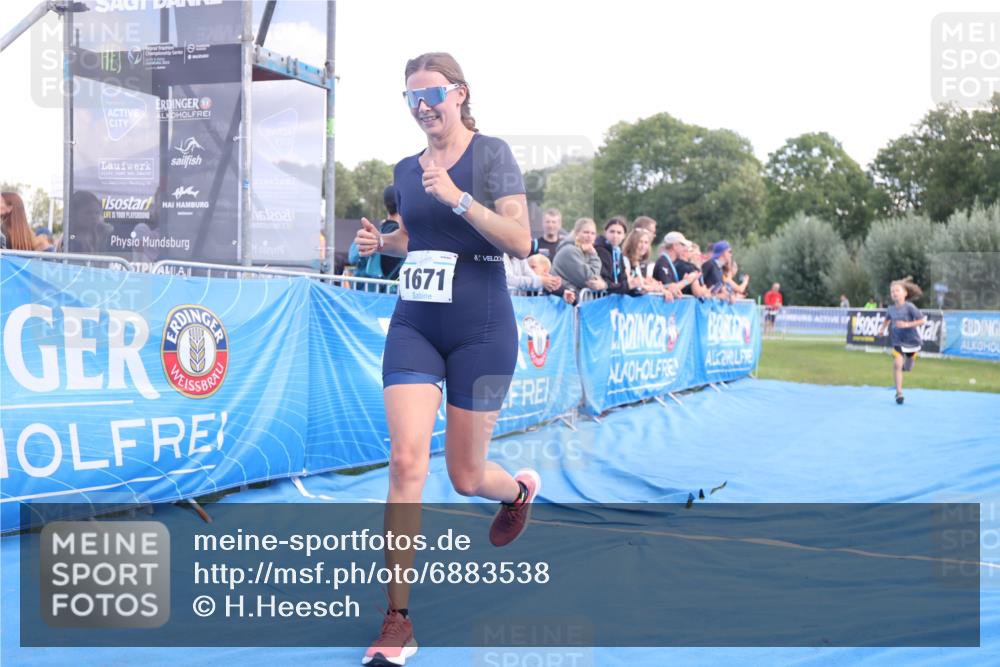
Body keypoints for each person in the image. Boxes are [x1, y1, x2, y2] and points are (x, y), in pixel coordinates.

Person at [352, 52, 541, 667]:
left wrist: (460, 199)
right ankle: (398, 620)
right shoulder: (406, 169)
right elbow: (417, 236)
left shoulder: (492, 156)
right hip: (416, 321)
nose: (423, 106)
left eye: (432, 93)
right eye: (411, 97)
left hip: (482, 328)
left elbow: (521, 240)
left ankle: (514, 491)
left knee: (465, 476)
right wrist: (384, 242)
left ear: (459, 93)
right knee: (406, 459)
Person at [877, 277, 927, 404]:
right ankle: (899, 393)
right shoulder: (890, 309)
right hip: (897, 341)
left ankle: (907, 363)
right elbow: (887, 319)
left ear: (905, 293)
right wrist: (882, 329)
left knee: (908, 368)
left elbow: (922, 320)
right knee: (897, 364)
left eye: (897, 290)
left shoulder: (910, 307)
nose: (894, 293)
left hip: (912, 342)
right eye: (892, 291)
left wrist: (906, 325)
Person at [348, 185, 405, 289]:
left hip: (364, 295)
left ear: (385, 206)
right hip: (390, 297)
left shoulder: (372, 232)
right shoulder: (407, 240)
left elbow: (352, 258)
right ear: (403, 204)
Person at [551, 217, 607, 292]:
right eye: (586, 232)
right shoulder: (570, 251)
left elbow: (597, 277)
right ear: (576, 233)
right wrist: (593, 255)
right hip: (565, 300)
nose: (589, 236)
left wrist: (603, 285)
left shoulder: (585, 251)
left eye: (593, 233)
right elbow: (591, 279)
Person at [653, 231, 700, 298]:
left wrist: (684, 282)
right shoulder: (663, 262)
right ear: (675, 246)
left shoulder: (668, 262)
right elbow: (669, 288)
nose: (685, 249)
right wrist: (687, 281)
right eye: (683, 245)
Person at [621, 228, 663, 295]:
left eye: (646, 242)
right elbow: (629, 283)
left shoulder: (644, 263)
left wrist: (657, 287)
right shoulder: (624, 260)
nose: (643, 246)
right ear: (632, 243)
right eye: (640, 242)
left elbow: (647, 283)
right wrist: (653, 287)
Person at [593, 216, 629, 294]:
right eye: (612, 231)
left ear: (624, 236)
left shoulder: (618, 252)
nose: (615, 236)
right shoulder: (600, 250)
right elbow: (605, 280)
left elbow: (623, 278)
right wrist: (623, 286)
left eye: (619, 233)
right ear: (605, 232)